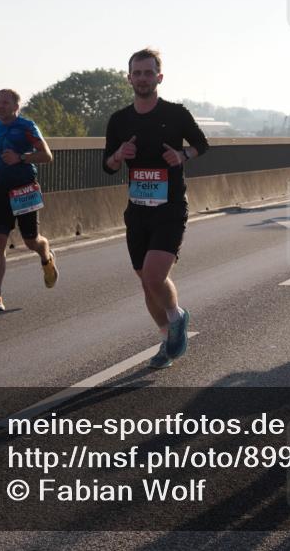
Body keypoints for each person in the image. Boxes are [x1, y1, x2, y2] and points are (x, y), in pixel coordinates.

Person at [103, 48, 209, 369]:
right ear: (129, 78)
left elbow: (202, 144)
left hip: (170, 208)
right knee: (146, 282)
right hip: (137, 210)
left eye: (149, 73)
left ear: (159, 77)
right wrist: (119, 155)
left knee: (154, 274)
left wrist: (182, 156)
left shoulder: (176, 114)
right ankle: (166, 339)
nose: (143, 79)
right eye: (137, 73)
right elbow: (107, 165)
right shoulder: (120, 120)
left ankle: (177, 316)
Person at [0, 89, 58, 314]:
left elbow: (47, 155)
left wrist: (20, 157)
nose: (0, 106)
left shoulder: (27, 127)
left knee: (31, 241)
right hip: (2, 191)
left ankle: (46, 254)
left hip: (24, 189)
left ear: (16, 106)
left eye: (5, 103)